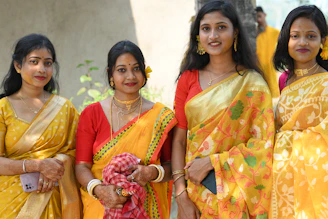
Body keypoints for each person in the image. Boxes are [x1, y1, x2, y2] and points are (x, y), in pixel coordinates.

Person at [172, 1, 275, 218]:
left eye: (221, 27)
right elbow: (179, 140)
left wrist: (212, 163)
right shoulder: (188, 79)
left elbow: (263, 146)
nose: (213, 35)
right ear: (198, 34)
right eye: (206, 28)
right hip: (194, 192)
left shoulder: (252, 84)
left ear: (235, 32)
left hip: (237, 195)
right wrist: (181, 196)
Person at [75, 40, 177, 219]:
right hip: (101, 206)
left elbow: (171, 167)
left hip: (147, 208)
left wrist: (151, 172)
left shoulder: (161, 117)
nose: (130, 76)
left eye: (136, 68)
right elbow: (82, 166)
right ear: (110, 74)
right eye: (122, 70)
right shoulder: (91, 114)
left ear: (144, 71)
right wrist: (100, 190)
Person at [0, 34, 81, 218]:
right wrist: (37, 166)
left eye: (48, 63)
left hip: (54, 200)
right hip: (9, 203)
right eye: (34, 61)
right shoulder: (2, 108)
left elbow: (79, 153)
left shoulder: (65, 108)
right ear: (18, 66)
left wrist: (57, 164)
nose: (42, 69)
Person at [272, 5, 328, 218]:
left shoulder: (326, 80)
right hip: (283, 172)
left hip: (318, 176)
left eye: (311, 36)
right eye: (295, 36)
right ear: (286, 40)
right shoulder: (284, 80)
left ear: (322, 41)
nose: (303, 42)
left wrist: (298, 142)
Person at [256, 6, 280, 99]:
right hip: (258, 70)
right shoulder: (253, 34)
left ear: (265, 15)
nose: (258, 20)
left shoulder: (274, 32)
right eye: (255, 18)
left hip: (270, 70)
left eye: (259, 16)